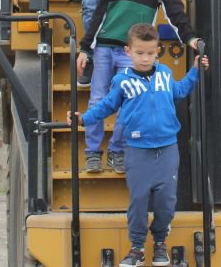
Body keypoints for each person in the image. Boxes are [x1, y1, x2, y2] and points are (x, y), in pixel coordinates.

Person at [70, 23, 209, 267]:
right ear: (128, 52)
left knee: (166, 200)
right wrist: (84, 119)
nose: (145, 58)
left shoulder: (165, 73)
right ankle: (137, 248)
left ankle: (160, 243)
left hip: (167, 149)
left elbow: (179, 91)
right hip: (137, 150)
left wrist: (195, 71)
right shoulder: (121, 81)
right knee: (139, 200)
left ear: (158, 52)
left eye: (150, 53)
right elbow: (107, 106)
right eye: (139, 53)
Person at [76, 0, 199, 175]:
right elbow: (99, 15)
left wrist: (189, 38)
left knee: (130, 103)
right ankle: (92, 153)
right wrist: (85, 48)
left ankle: (117, 151)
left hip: (131, 52)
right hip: (104, 48)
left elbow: (175, 12)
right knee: (97, 99)